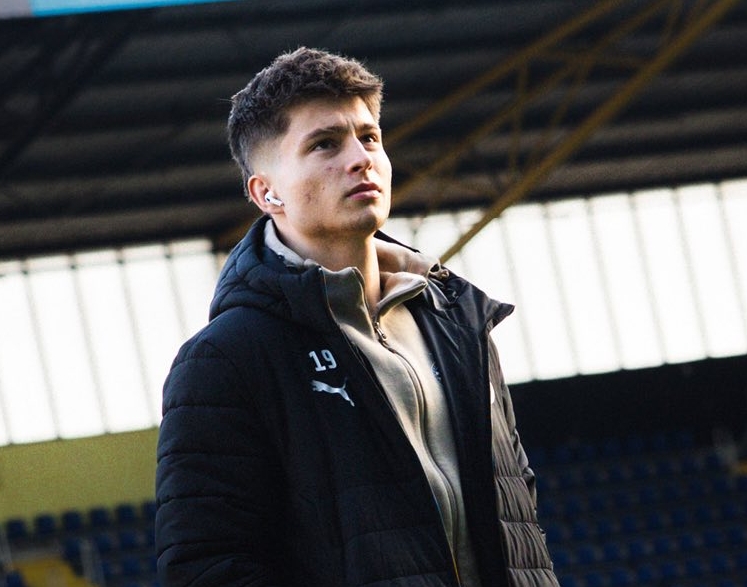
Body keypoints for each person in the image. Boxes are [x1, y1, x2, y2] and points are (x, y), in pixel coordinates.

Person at [155, 47, 558, 587]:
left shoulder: (461, 322)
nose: (361, 158)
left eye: (369, 137)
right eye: (325, 144)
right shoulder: (225, 359)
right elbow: (206, 567)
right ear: (266, 191)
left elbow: (518, 512)